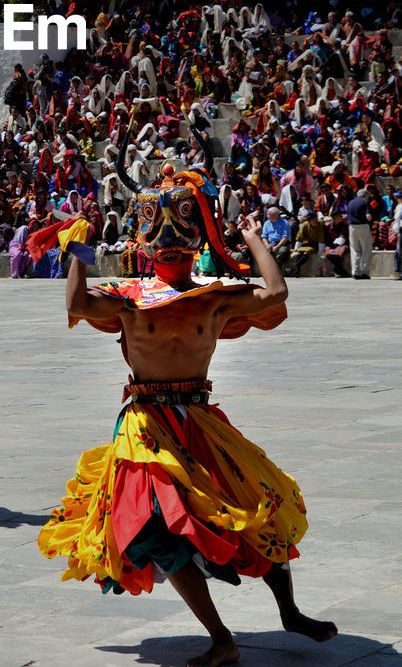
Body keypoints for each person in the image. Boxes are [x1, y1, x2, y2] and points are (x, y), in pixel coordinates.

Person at [39, 158, 337, 667]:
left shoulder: (213, 298)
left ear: (198, 236)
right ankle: (221, 637)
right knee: (155, 529)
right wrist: (80, 249)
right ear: (142, 240)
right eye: (158, 229)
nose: (170, 238)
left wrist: (252, 239)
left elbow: (278, 293)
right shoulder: (129, 300)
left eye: (181, 226)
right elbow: (77, 304)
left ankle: (288, 610)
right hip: (145, 426)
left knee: (255, 507)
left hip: (199, 419)